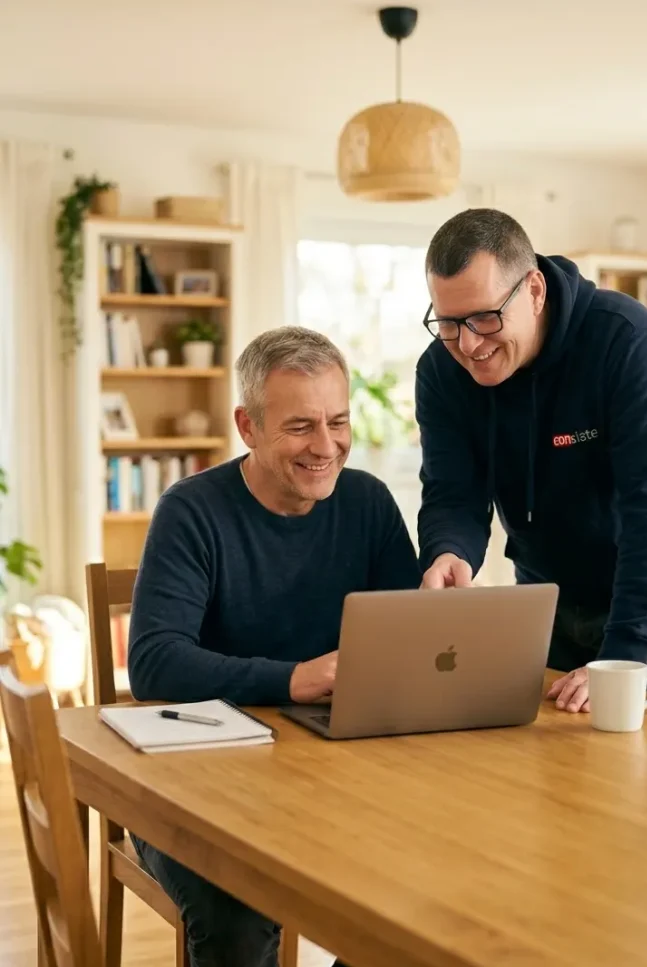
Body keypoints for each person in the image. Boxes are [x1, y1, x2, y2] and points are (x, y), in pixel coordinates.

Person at [127, 325, 422, 967]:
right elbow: (152, 662)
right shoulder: (191, 511)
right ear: (248, 426)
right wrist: (292, 679)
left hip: (335, 779)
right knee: (238, 915)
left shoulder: (368, 503)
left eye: (337, 422)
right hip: (199, 786)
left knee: (421, 884)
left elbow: (411, 636)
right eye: (300, 427)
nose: (326, 447)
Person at [415, 208, 647, 713]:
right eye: (447, 322)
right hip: (545, 589)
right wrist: (450, 550)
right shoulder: (441, 372)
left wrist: (622, 656)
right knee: (550, 751)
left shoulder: (626, 340)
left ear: (534, 291)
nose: (467, 344)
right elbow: (452, 490)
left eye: (484, 318)